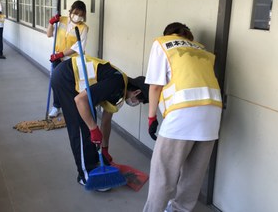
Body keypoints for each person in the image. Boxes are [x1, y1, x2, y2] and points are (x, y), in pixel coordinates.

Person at [143, 22, 222, 212]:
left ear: (169, 34)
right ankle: (180, 209)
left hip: (183, 114)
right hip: (212, 115)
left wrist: (151, 117)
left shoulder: (162, 43)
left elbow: (155, 86)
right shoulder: (202, 50)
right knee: (194, 174)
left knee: (163, 172)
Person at [51, 55, 149, 187]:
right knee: (81, 127)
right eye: (140, 101)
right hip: (66, 77)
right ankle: (85, 175)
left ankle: (93, 161)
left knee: (89, 122)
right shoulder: (116, 82)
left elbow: (106, 121)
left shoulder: (121, 90)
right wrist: (93, 128)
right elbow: (80, 100)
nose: (136, 103)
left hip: (72, 80)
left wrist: (104, 149)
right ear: (136, 92)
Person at [47, 0, 88, 118]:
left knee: (71, 85)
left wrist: (61, 54)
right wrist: (51, 23)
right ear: (71, 11)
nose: (78, 17)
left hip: (72, 61)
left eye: (81, 15)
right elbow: (49, 34)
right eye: (76, 13)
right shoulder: (62, 20)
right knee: (55, 82)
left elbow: (77, 48)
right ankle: (56, 106)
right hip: (57, 58)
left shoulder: (83, 28)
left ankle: (71, 108)